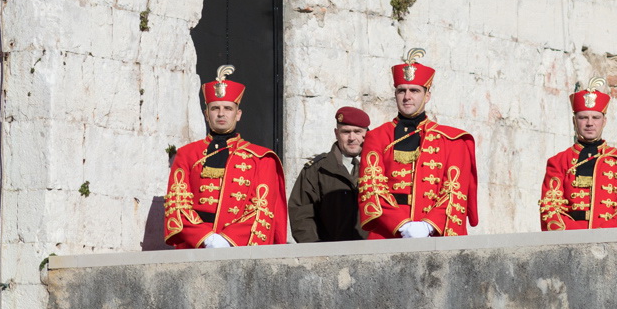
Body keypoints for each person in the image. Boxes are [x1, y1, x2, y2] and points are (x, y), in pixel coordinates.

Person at [358, 48, 478, 238]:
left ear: (427, 95)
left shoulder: (453, 141)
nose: (407, 97)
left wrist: (428, 226)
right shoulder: (377, 137)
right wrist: (402, 226)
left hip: (435, 233)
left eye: (414, 90)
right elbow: (371, 186)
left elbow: (455, 190)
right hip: (389, 233)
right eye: (401, 91)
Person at [164, 65, 287, 248]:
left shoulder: (261, 158)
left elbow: (262, 208)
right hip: (196, 246)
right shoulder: (187, 154)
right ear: (207, 114)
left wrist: (227, 240)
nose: (221, 114)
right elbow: (177, 202)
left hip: (240, 247)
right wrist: (206, 238)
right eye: (215, 108)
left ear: (238, 115)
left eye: (228, 108)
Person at [539, 78, 617, 230]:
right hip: (569, 241)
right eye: (583, 117)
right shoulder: (558, 162)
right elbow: (550, 210)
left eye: (595, 118)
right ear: (574, 121)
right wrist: (577, 238)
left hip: (612, 241)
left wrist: (599, 237)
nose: (590, 123)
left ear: (604, 121)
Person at [289, 106, 370, 243]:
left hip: (374, 251)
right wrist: (316, 252)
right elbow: (301, 215)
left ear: (367, 134)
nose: (352, 138)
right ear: (336, 133)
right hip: (329, 255)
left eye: (357, 131)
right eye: (346, 132)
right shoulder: (316, 170)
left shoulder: (379, 166)